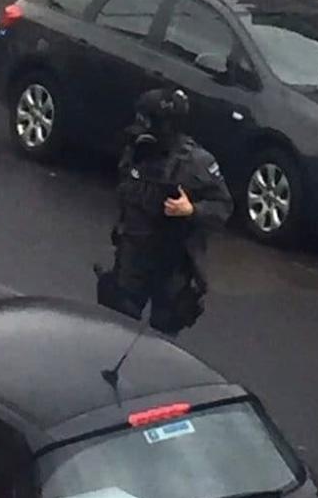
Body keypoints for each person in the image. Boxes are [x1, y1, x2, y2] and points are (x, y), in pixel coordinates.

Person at [96, 87, 233, 336]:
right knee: (116, 324)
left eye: (147, 121)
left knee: (161, 333)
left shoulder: (196, 163)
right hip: (133, 255)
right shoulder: (136, 151)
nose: (141, 128)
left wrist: (192, 210)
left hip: (171, 263)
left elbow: (223, 206)